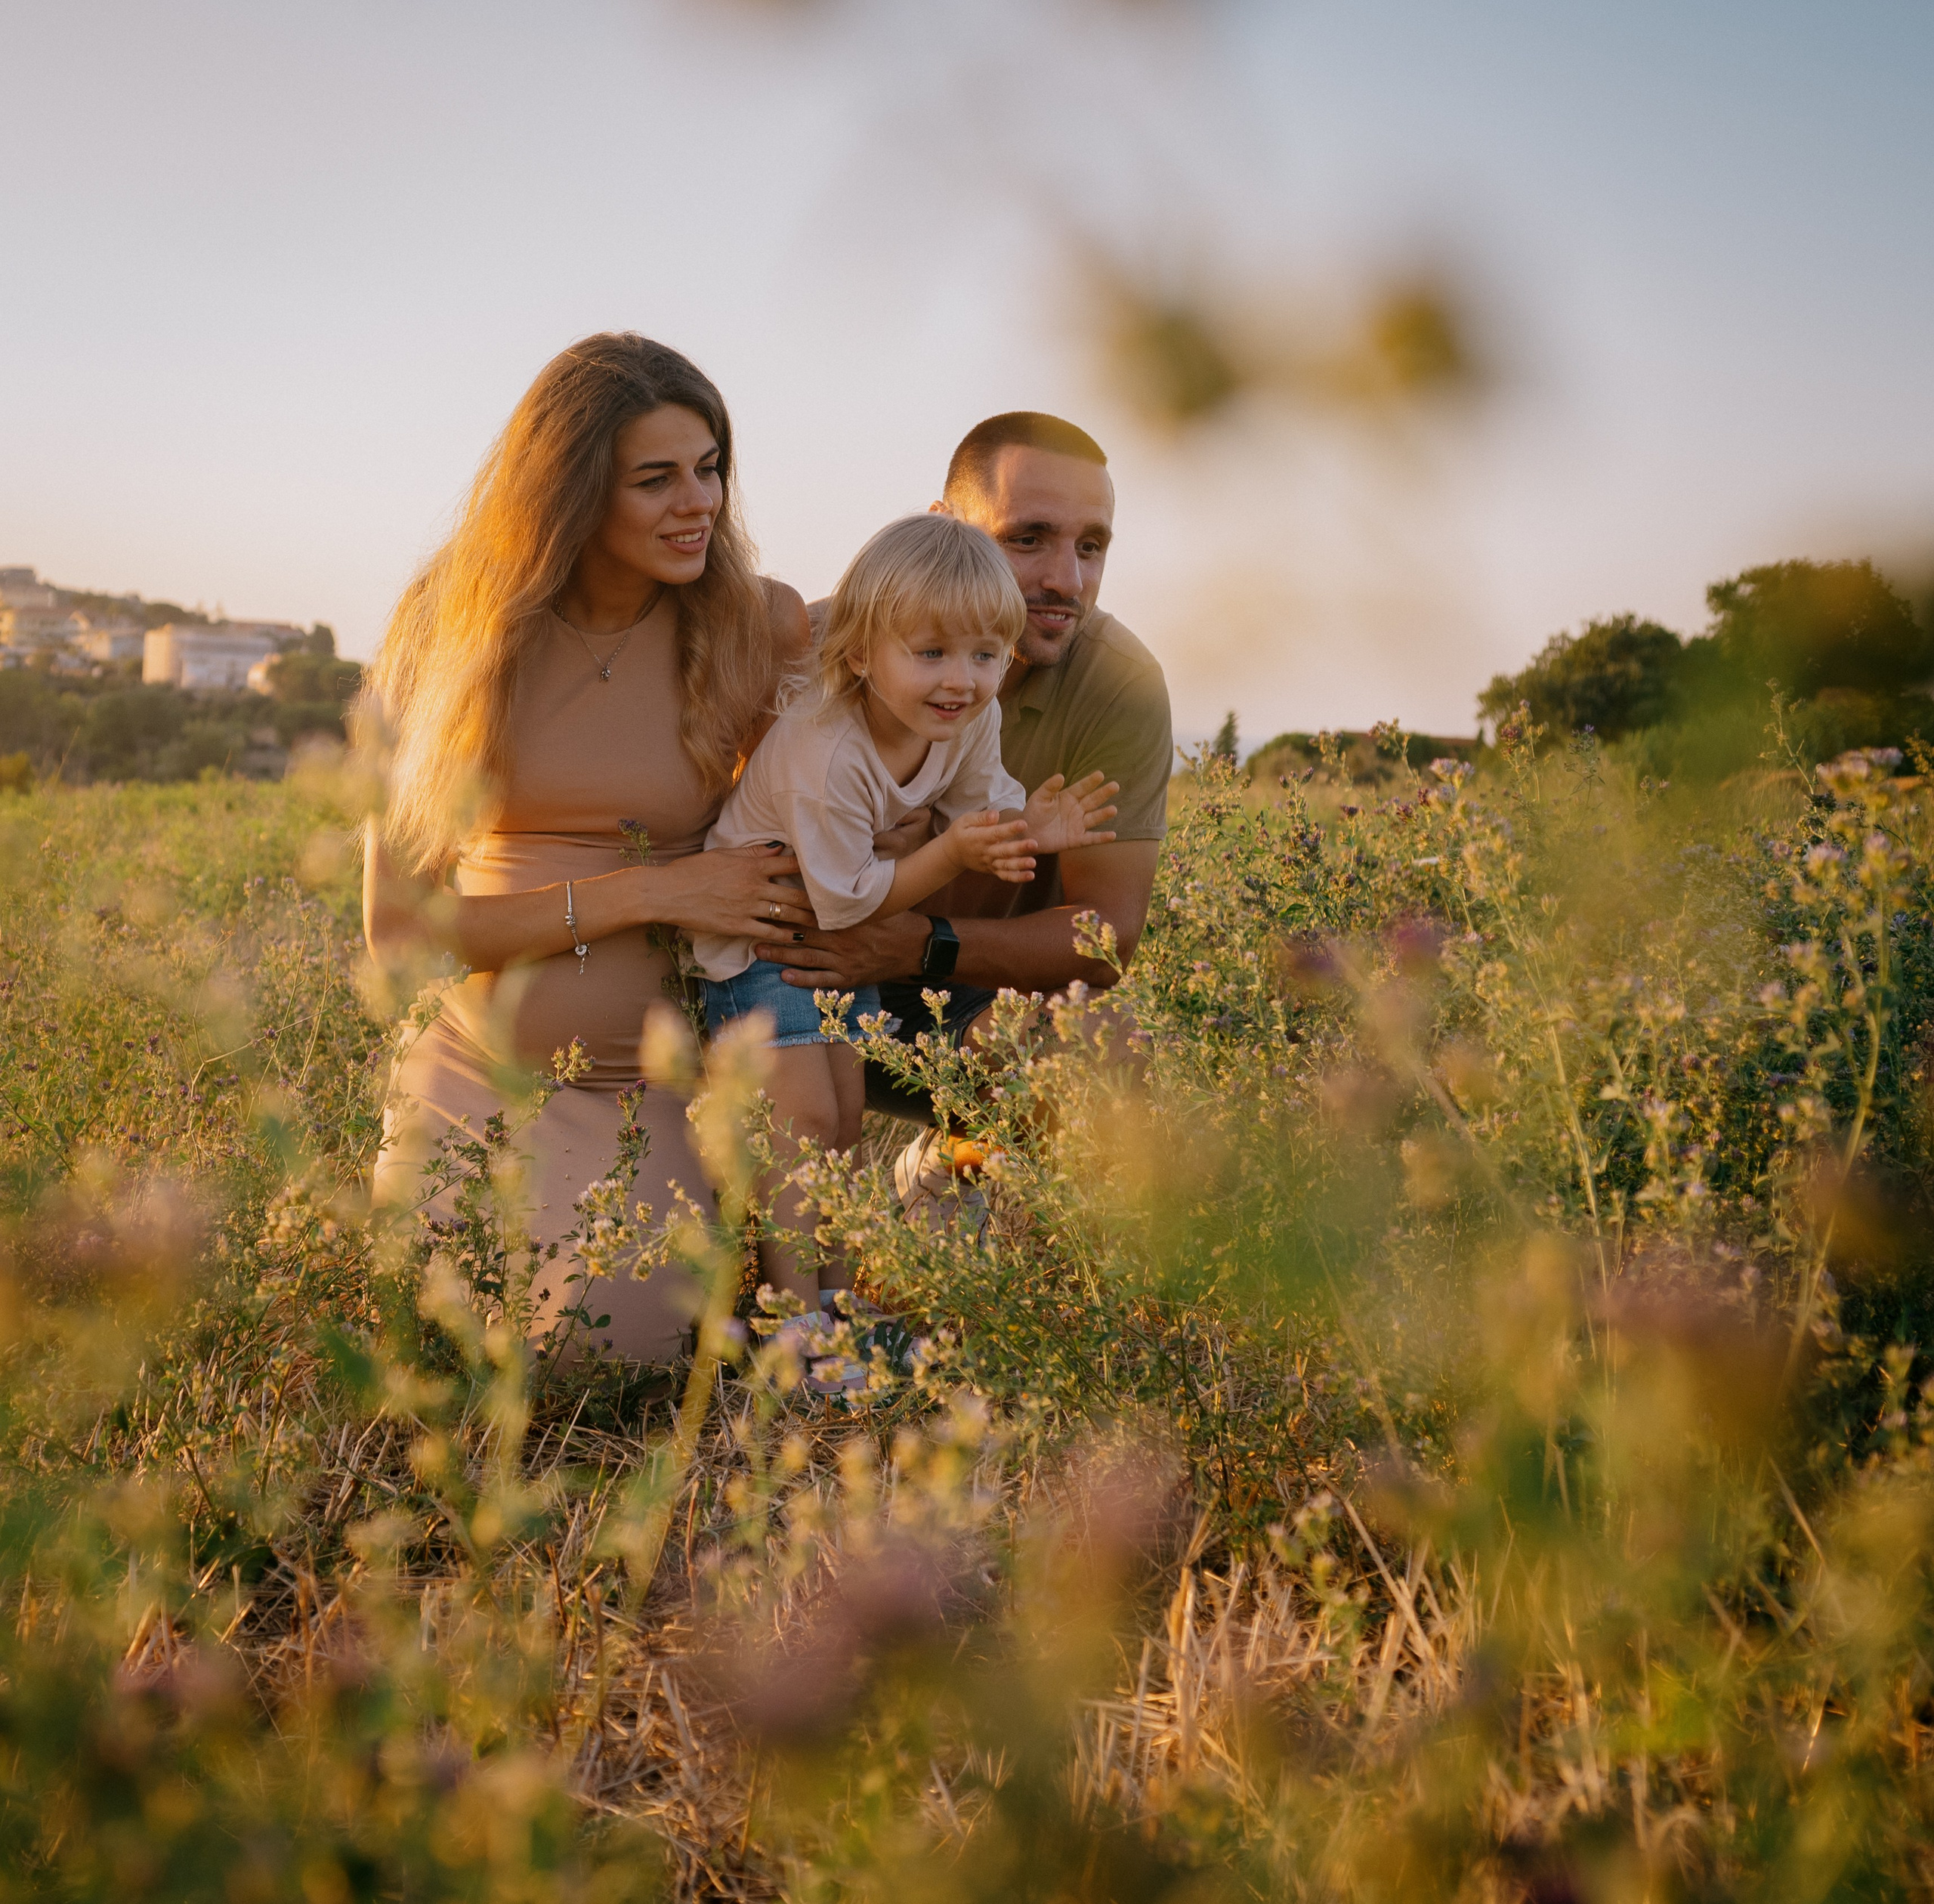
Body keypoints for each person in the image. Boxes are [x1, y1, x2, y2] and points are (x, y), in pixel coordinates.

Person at [361, 333, 817, 1363]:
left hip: (643, 1092)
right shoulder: (454, 629)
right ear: (567, 495)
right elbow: (398, 936)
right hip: (478, 1066)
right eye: (655, 479)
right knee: (437, 1337)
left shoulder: (752, 627)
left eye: (710, 470)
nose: (697, 502)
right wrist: (650, 892)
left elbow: (868, 742)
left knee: (606, 1353)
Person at [691, 513, 1117, 1371]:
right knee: (800, 1119)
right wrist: (950, 853)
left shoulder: (964, 718)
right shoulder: (827, 750)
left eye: (986, 655)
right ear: (860, 656)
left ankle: (839, 1308)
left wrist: (1023, 827)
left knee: (844, 1119)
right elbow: (847, 903)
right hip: (760, 932)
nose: (961, 680)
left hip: (831, 927)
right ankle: (787, 1324)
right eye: (930, 654)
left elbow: (977, 804)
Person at [764, 413, 1172, 1139]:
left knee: (1107, 1044)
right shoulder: (822, 649)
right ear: (943, 528)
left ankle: (958, 1165)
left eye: (1091, 547)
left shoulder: (1120, 683)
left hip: (961, 1001)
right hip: (789, 978)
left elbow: (1108, 934)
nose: (1065, 581)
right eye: (1027, 538)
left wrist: (915, 943)